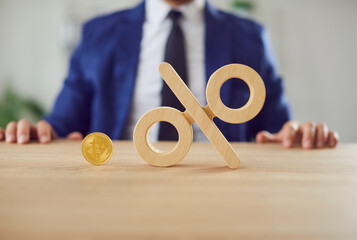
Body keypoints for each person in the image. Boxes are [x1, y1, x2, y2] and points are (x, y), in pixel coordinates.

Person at [0, 0, 339, 149]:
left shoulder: (251, 36)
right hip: (117, 184)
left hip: (223, 186)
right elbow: (61, 125)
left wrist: (296, 135)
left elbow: (276, 130)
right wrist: (38, 134)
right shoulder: (97, 34)